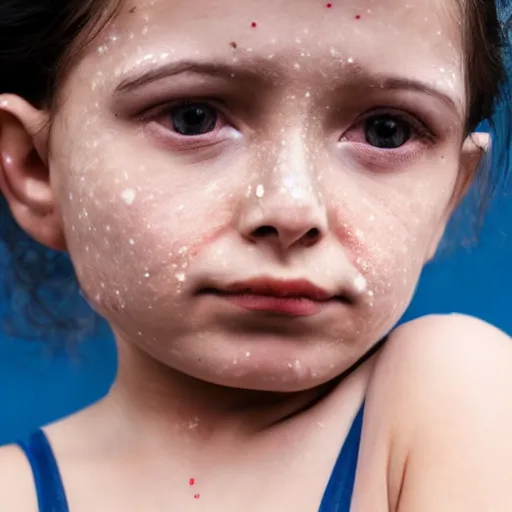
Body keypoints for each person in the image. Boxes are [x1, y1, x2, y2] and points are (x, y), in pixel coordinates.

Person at [0, 0, 511, 510]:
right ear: (37, 169)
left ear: (450, 194)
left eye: (387, 131)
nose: (292, 208)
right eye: (192, 118)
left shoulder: (459, 396)